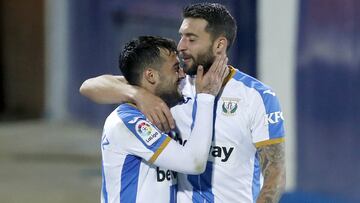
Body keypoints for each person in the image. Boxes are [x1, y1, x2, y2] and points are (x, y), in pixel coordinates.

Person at [81, 3, 286, 203]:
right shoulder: (173, 86)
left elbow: (275, 174)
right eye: (181, 36)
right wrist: (138, 94)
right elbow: (90, 86)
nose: (181, 46)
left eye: (191, 39)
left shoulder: (258, 97)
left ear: (219, 45)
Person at [100, 35, 228, 203]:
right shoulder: (126, 123)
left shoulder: (162, 112)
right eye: (176, 68)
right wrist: (205, 96)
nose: (182, 75)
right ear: (151, 76)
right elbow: (193, 163)